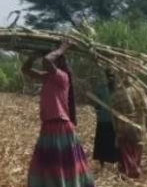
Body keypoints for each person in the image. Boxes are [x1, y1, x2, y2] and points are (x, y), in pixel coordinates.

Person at [22, 40, 95, 187]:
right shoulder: (47, 77)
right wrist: (33, 56)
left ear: (59, 62)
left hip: (60, 126)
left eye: (55, 58)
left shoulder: (62, 76)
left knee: (61, 163)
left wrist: (62, 48)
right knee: (50, 164)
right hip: (48, 126)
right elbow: (25, 69)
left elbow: (47, 60)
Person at [110, 76, 147, 179]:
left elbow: (113, 115)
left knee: (125, 149)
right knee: (137, 148)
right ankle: (135, 169)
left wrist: (115, 128)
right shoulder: (139, 91)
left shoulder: (115, 95)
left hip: (123, 126)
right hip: (138, 126)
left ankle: (129, 170)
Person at [91, 70, 119, 169]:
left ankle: (111, 161)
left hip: (110, 120)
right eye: (109, 77)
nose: (111, 79)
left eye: (112, 77)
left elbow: (96, 105)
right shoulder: (103, 88)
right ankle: (105, 162)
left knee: (108, 141)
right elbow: (96, 104)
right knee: (106, 141)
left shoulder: (115, 89)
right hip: (106, 120)